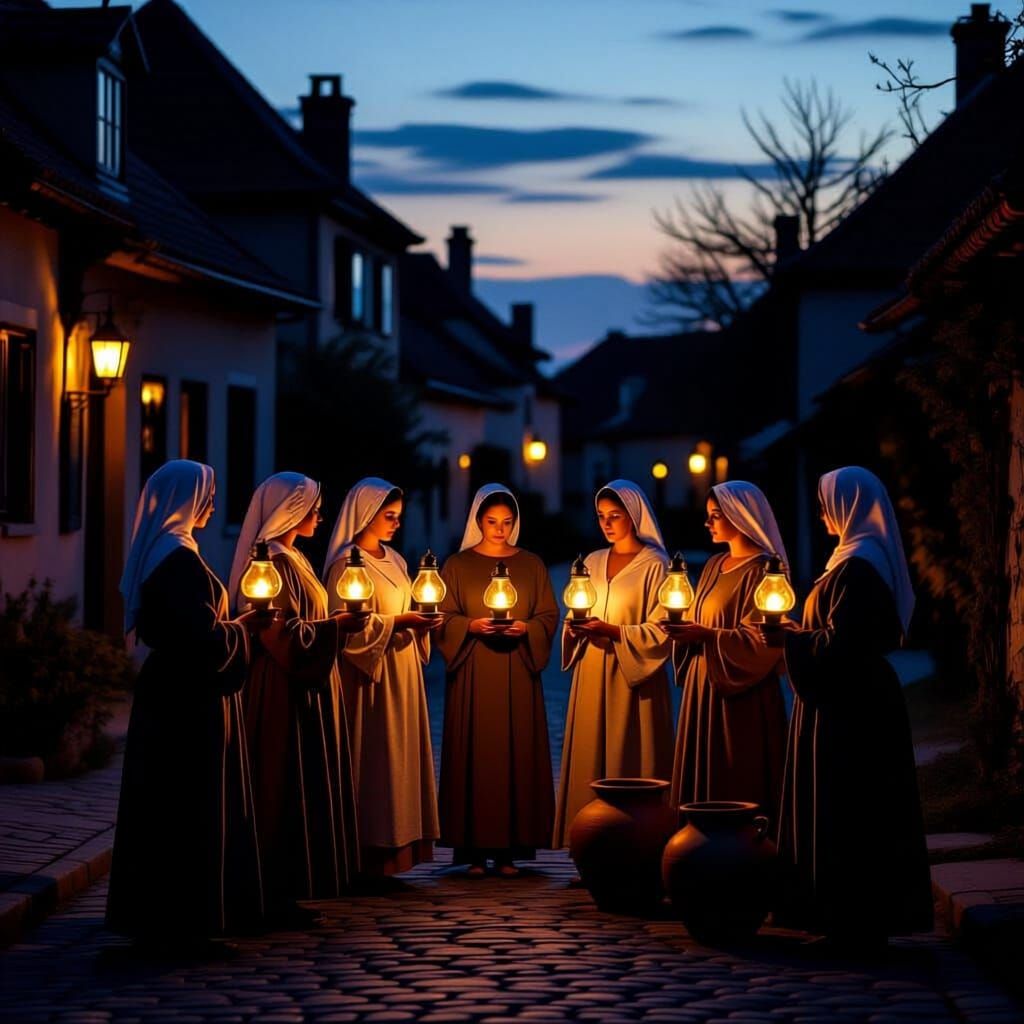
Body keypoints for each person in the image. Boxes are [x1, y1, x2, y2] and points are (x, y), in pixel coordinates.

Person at [772, 466, 933, 945]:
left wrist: (791, 640)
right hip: (844, 697)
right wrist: (799, 635)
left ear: (849, 505)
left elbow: (846, 644)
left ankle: (853, 915)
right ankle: (840, 913)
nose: (823, 513)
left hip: (852, 706)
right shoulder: (851, 559)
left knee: (851, 806)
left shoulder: (860, 567)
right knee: (843, 803)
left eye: (827, 504)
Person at [107, 460, 265, 949]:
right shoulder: (176, 559)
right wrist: (244, 630)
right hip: (186, 699)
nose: (213, 504)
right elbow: (199, 638)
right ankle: (184, 921)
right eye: (207, 495)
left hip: (175, 691)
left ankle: (171, 917)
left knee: (169, 803)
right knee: (187, 804)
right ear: (184, 499)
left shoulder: (172, 551)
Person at [228, 472, 363, 923]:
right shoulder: (271, 563)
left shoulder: (295, 558)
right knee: (280, 779)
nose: (320, 516)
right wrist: (335, 627)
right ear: (291, 511)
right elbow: (279, 632)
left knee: (300, 781)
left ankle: (291, 886)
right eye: (313, 508)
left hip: (307, 687)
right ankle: (271, 890)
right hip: (281, 689)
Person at [436, 484, 557, 877]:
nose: (500, 530)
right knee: (475, 754)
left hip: (517, 671)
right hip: (474, 669)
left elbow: (548, 615)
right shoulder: (457, 565)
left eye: (507, 522)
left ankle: (509, 850)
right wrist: (469, 625)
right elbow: (443, 615)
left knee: (514, 754)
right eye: (492, 522)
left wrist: (527, 627)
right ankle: (472, 850)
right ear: (478, 522)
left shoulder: (532, 564)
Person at [323, 478, 441, 880]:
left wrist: (419, 623)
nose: (395, 523)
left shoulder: (396, 560)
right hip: (369, 678)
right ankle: (366, 856)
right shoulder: (347, 564)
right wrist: (399, 622)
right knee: (375, 759)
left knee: (399, 759)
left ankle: (397, 854)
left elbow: (409, 605)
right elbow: (344, 626)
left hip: (401, 671)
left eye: (398, 516)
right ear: (366, 514)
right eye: (388, 516)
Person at [552, 480, 674, 848]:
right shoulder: (591, 562)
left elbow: (663, 627)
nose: (606, 523)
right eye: (601, 516)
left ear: (634, 517)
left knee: (631, 755)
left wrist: (614, 631)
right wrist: (574, 629)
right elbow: (576, 609)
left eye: (615, 516)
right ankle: (590, 841)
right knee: (591, 753)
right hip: (592, 668)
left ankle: (637, 841)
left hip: (634, 676)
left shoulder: (656, 566)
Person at [662, 481, 789, 820]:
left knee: (736, 770)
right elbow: (697, 616)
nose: (708, 523)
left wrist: (707, 635)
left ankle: (743, 841)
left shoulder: (764, 571)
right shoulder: (714, 564)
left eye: (716, 515)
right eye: (708, 515)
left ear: (740, 515)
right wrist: (683, 629)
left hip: (741, 693)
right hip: (703, 685)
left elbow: (762, 640)